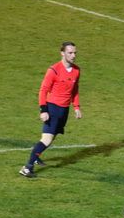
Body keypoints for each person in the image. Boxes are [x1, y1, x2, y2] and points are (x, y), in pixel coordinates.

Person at [19, 42, 82, 178]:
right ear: (62, 53)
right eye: (70, 53)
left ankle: (36, 156)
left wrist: (76, 107)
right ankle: (27, 168)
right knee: (47, 139)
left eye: (75, 53)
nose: (73, 55)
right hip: (53, 108)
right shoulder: (54, 70)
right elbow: (43, 90)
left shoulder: (77, 70)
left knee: (51, 137)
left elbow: (75, 90)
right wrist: (43, 110)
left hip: (64, 110)